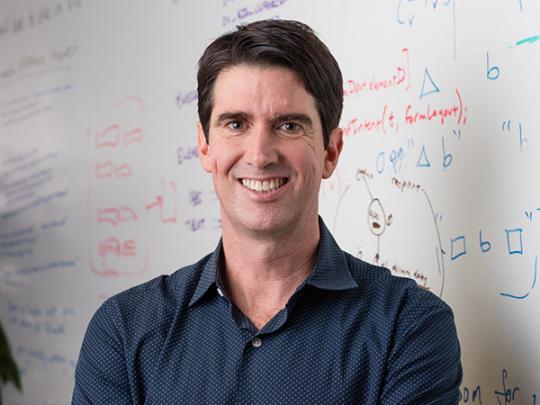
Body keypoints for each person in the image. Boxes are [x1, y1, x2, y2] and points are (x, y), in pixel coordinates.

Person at [72, 20, 462, 404]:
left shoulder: (408, 325)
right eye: (236, 124)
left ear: (330, 152)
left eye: (289, 126)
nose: (259, 155)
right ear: (205, 147)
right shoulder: (124, 331)